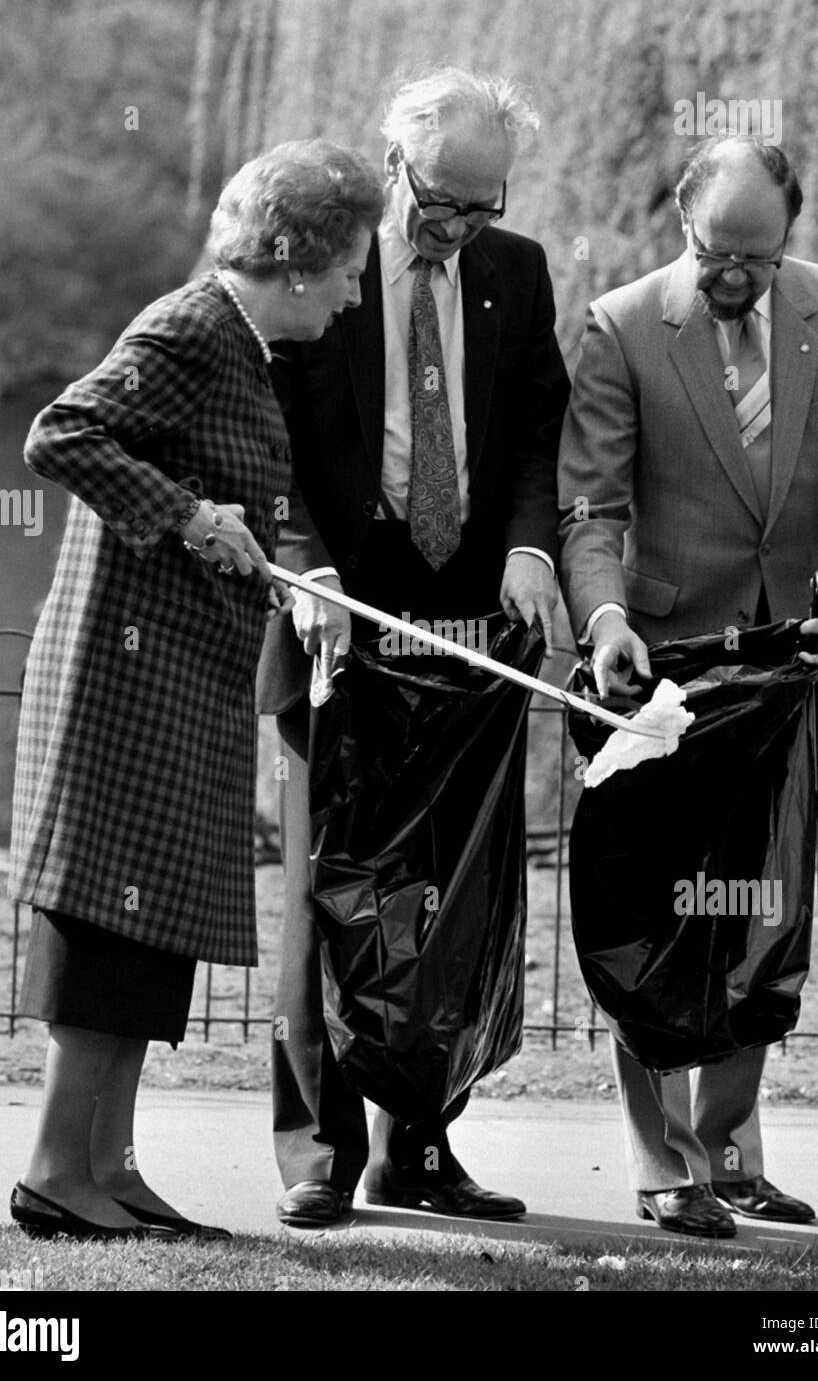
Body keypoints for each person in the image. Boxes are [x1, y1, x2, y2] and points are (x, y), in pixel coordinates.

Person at [7, 140, 384, 1241]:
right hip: (121, 683)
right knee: (108, 921)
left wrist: (269, 548)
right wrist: (184, 512)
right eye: (352, 269)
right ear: (296, 260)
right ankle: (52, 1169)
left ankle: (106, 1167)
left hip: (178, 680)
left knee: (152, 928)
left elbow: (215, 486)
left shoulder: (242, 345)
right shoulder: (189, 327)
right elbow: (58, 433)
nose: (358, 291)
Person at [558, 134, 818, 1238]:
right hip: (665, 673)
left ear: (787, 237)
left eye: (756, 258)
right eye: (716, 253)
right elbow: (591, 510)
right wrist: (605, 617)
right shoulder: (618, 327)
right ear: (681, 224)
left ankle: (730, 1149)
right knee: (657, 919)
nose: (733, 279)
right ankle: (660, 1162)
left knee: (762, 914)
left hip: (797, 663)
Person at [259, 68, 570, 1226]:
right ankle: (321, 1151)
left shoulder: (514, 270)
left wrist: (531, 549)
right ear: (393, 167)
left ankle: (419, 1150)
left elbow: (539, 427)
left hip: (467, 621)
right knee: (329, 884)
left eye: (484, 204)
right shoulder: (322, 263)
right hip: (340, 605)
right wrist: (309, 568)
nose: (460, 228)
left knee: (445, 896)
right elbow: (270, 439)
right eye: (442, 202)